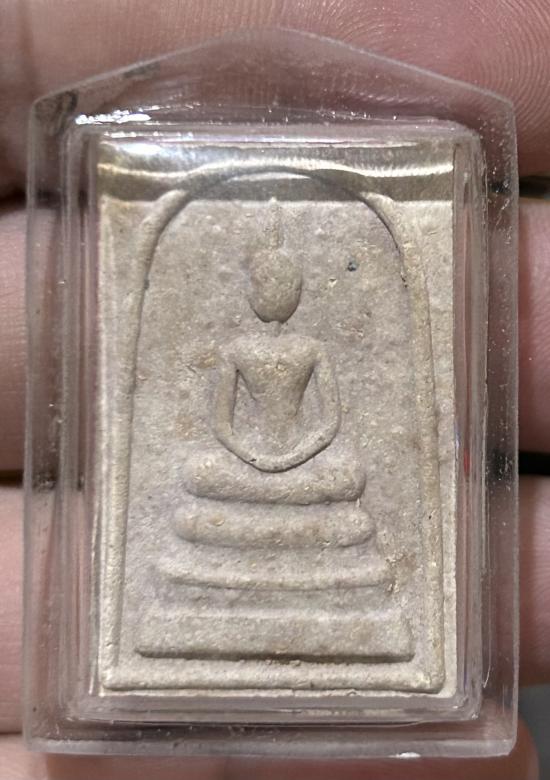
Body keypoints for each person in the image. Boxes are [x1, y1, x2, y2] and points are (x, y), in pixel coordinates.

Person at [1, 1, 549, 777]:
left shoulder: (312, 348)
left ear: (294, 290)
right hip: (243, 470)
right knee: (201, 479)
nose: (273, 296)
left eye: (283, 285)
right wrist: (253, 456)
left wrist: (295, 454)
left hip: (304, 469)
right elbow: (221, 420)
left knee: (344, 477)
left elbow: (329, 419)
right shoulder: (235, 348)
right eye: (265, 285)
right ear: (254, 288)